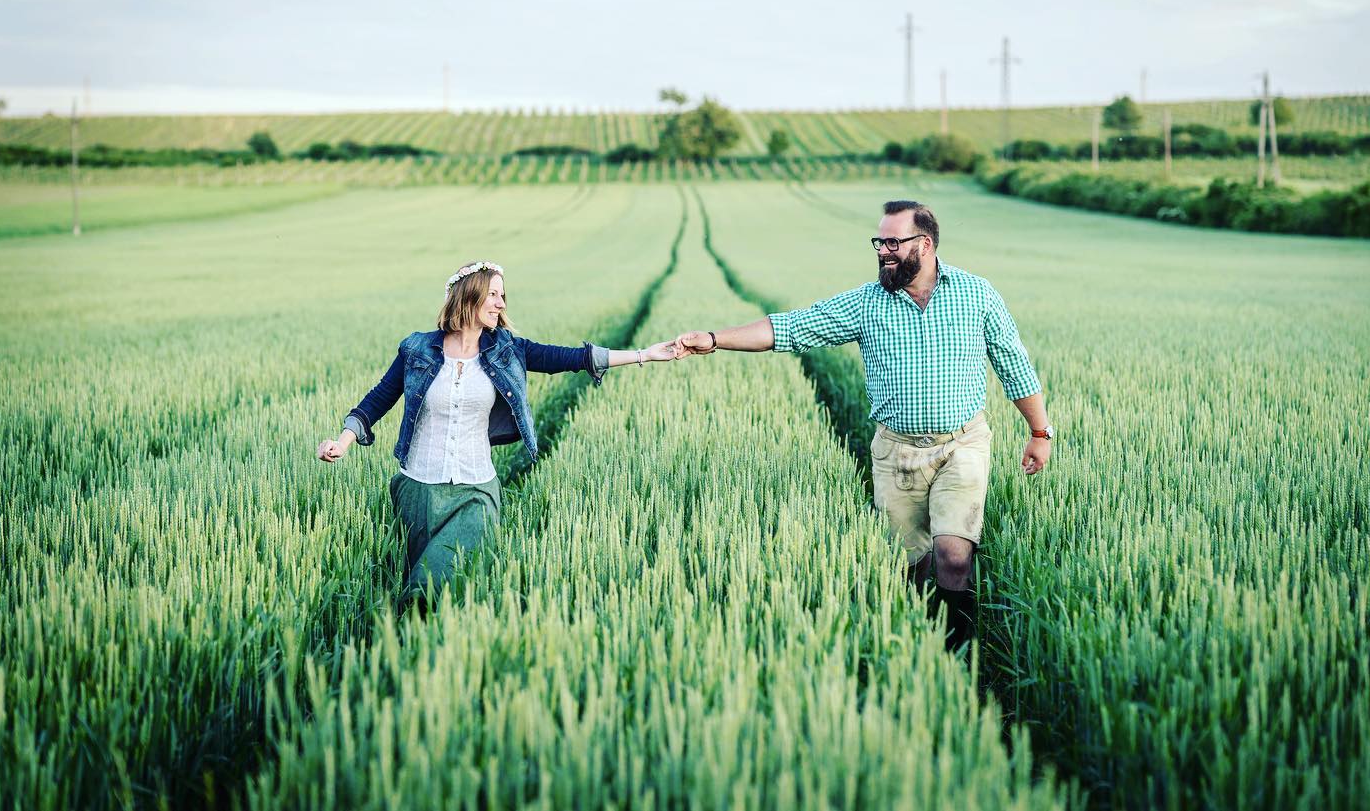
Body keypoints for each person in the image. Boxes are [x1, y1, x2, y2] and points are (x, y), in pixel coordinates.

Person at [675, 201, 1051, 650]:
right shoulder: (866, 303)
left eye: (894, 242)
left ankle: (958, 659)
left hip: (963, 444)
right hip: (896, 453)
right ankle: (922, 645)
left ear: (925, 244)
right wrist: (714, 340)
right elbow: (791, 328)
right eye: (879, 242)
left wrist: (1039, 432)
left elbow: (1013, 364)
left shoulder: (976, 294)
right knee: (912, 564)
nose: (883, 251)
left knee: (953, 554)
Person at [317, 260, 678, 606]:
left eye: (502, 296)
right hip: (418, 489)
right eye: (493, 294)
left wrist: (645, 354)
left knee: (431, 586)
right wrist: (343, 442)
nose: (501, 303)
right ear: (468, 295)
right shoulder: (416, 349)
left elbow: (571, 358)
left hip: (476, 489)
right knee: (419, 579)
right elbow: (378, 398)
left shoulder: (508, 351)